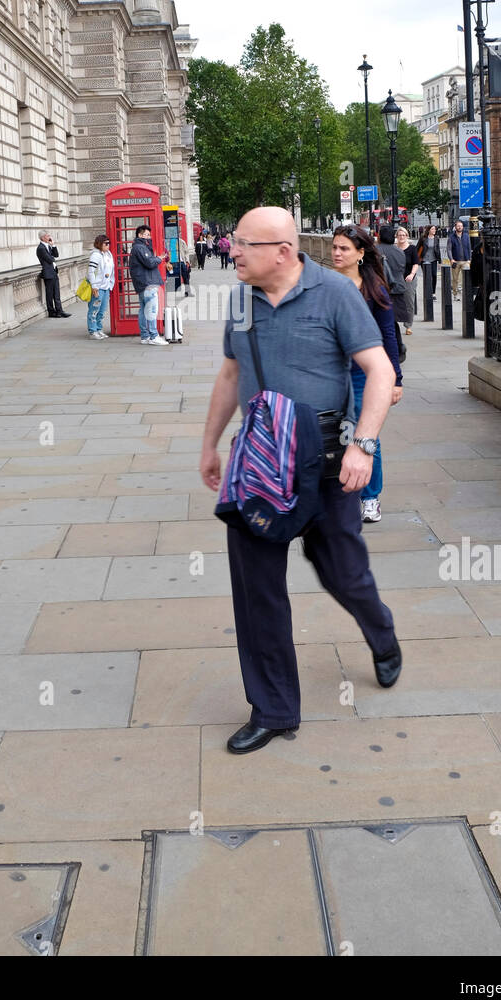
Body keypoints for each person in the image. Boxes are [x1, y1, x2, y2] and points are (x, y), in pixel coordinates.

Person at [200, 206, 401, 756]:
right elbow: (231, 373)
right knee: (256, 589)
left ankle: (380, 632)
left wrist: (364, 445)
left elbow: (380, 373)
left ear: (283, 252)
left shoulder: (336, 295)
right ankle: (273, 709)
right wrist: (210, 443)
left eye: (243, 243)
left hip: (326, 463)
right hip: (260, 460)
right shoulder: (241, 301)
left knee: (344, 573)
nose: (231, 250)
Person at [331, 226, 403, 524]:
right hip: (332, 373)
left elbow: (388, 334)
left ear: (361, 254)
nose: (336, 253)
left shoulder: (374, 289)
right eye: (334, 247)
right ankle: (340, 493)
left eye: (344, 248)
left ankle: (370, 498)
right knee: (334, 434)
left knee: (366, 435)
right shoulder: (327, 287)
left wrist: (395, 380)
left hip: (364, 375)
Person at [128, 224, 169, 346]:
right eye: (146, 235)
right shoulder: (140, 248)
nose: (149, 237)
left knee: (143, 310)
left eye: (149, 235)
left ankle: (145, 336)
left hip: (142, 282)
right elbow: (149, 263)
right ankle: (153, 336)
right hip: (147, 283)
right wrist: (159, 258)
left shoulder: (139, 247)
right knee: (151, 309)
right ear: (140, 235)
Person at [377, 224, 407, 362]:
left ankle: (392, 349)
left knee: (384, 322)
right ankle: (400, 347)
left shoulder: (376, 251)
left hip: (382, 290)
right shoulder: (400, 252)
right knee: (393, 321)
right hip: (398, 289)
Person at [87, 234, 115, 340]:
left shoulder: (108, 254)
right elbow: (91, 271)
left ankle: (99, 329)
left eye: (109, 243)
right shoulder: (95, 255)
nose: (108, 245)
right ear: (99, 243)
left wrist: (111, 284)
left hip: (106, 287)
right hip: (98, 288)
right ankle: (92, 331)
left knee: (102, 311)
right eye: (106, 243)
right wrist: (94, 286)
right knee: (94, 310)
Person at [36, 232, 70, 319]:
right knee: (50, 294)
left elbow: (56, 255)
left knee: (57, 293)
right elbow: (50, 259)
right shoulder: (41, 248)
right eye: (47, 236)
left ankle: (59, 311)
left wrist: (53, 245)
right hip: (48, 273)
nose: (49, 237)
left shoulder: (47, 246)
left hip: (53, 272)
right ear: (43, 238)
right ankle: (51, 312)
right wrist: (51, 256)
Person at [395, 226, 418, 336]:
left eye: (403, 235)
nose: (401, 237)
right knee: (395, 302)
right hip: (396, 279)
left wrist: (412, 274)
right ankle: (395, 324)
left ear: (407, 236)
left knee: (409, 302)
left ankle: (408, 326)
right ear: (397, 237)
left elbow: (416, 264)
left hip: (409, 279)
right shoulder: (394, 249)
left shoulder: (412, 249)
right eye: (399, 235)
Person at [448, 219, 472, 300]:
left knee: (466, 278)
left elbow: (469, 248)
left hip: (466, 261)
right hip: (456, 261)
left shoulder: (466, 236)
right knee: (455, 279)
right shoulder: (451, 237)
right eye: (458, 226)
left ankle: (465, 294)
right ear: (455, 227)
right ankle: (455, 294)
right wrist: (451, 259)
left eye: (461, 226)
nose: (460, 227)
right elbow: (449, 249)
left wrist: (469, 259)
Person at [415, 224, 440, 302]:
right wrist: (415, 259)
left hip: (434, 259)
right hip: (424, 260)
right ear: (429, 230)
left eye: (435, 229)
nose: (434, 231)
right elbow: (417, 247)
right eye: (432, 229)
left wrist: (439, 260)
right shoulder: (423, 238)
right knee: (427, 276)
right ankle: (427, 293)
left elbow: (437, 249)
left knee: (434, 275)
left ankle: (433, 293)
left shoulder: (436, 238)